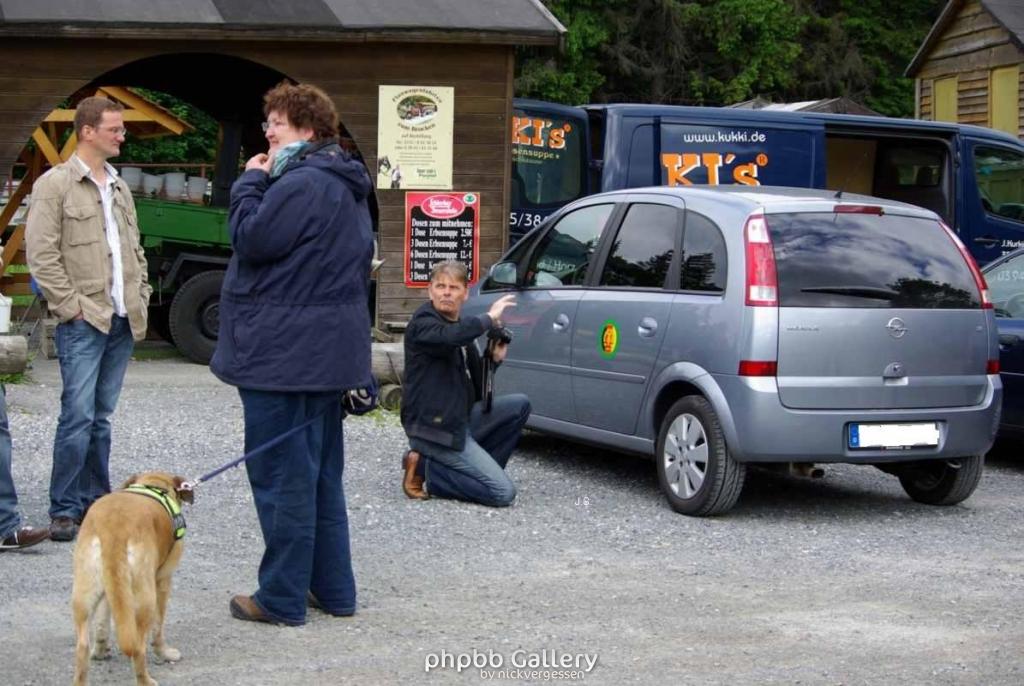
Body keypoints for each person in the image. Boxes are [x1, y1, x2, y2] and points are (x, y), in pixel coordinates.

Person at [210, 82, 373, 627]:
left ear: (305, 128)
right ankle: (333, 589)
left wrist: (250, 182)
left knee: (283, 478)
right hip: (324, 356)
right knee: (320, 475)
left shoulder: (301, 183)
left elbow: (251, 239)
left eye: (275, 124)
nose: (268, 133)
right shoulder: (344, 184)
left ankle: (280, 597)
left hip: (283, 355)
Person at [26, 96, 151, 542]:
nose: (122, 135)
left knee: (100, 418)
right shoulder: (54, 185)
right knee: (77, 417)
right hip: (84, 320)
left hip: (121, 319)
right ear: (87, 132)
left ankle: (97, 505)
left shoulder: (119, 186)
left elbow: (133, 248)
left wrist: (142, 294)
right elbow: (40, 255)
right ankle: (64, 509)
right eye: (115, 129)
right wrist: (71, 307)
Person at [401, 261, 530, 507]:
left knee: (519, 405)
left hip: (458, 420)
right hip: (434, 429)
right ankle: (428, 473)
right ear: (430, 291)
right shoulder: (423, 324)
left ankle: (459, 470)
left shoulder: (462, 330)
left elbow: (480, 390)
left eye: (453, 287)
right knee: (503, 493)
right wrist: (489, 318)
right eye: (440, 286)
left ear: (465, 293)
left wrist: (493, 359)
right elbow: (449, 338)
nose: (446, 292)